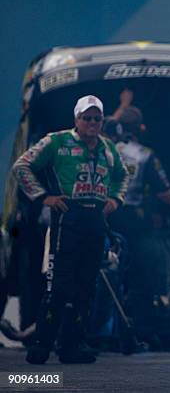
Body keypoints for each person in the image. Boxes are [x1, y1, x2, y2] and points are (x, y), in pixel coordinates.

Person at [12, 95, 128, 364]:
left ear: (102, 120)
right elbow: (22, 166)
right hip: (68, 216)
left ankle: (72, 345)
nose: (91, 123)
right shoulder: (57, 141)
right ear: (76, 119)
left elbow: (123, 175)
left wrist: (115, 200)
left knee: (87, 287)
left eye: (96, 118)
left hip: (96, 218)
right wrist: (43, 198)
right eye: (86, 118)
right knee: (61, 285)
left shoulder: (108, 147)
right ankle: (41, 344)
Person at [109, 106, 170, 342]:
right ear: (141, 128)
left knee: (105, 273)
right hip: (133, 222)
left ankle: (101, 330)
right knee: (143, 276)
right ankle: (141, 331)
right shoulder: (144, 154)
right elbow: (163, 192)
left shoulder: (104, 149)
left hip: (107, 217)